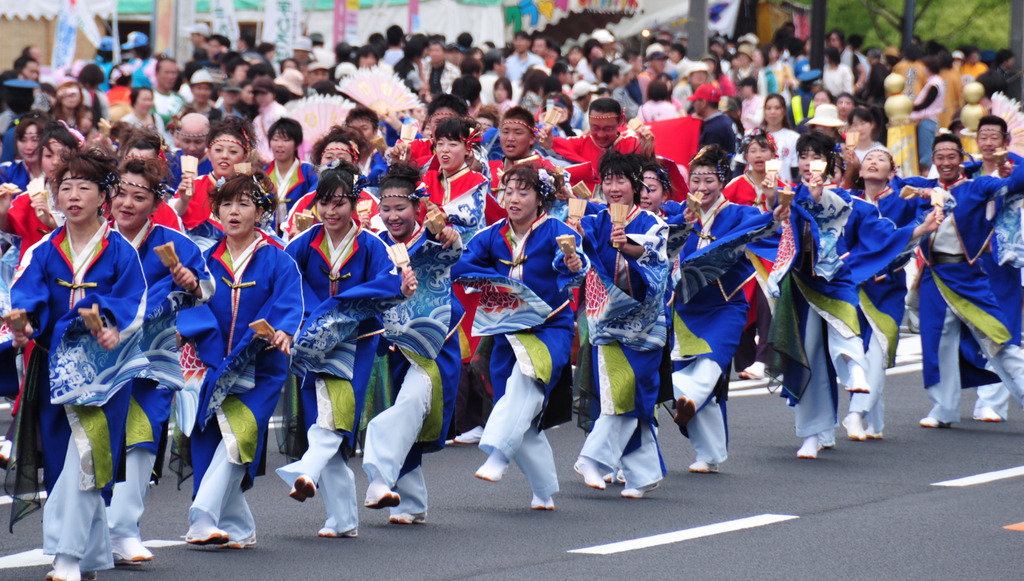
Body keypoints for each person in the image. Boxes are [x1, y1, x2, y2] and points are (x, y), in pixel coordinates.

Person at [7, 148, 147, 581]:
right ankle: (96, 556)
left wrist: (112, 328)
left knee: (88, 457)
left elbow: (134, 302)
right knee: (62, 459)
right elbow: (25, 294)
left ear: (103, 195)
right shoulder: (44, 249)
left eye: (83, 186)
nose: (71, 195)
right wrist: (24, 325)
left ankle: (66, 557)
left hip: (105, 372)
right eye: (64, 186)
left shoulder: (121, 250)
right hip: (53, 369)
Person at [767, 132, 940, 458]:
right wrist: (775, 215)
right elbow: (772, 233)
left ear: (830, 164)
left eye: (816, 157)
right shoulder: (788, 198)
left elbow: (882, 235)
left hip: (839, 283)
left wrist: (920, 229)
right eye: (803, 156)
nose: (808, 162)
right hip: (803, 288)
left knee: (846, 332)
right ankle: (814, 434)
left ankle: (855, 378)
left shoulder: (851, 202)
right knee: (811, 358)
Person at [276, 162, 412, 539]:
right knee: (321, 412)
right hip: (313, 341)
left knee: (338, 410)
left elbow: (387, 284)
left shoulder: (372, 244)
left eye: (340, 203)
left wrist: (398, 288)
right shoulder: (302, 243)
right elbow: (288, 283)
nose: (331, 211)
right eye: (324, 203)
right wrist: (317, 317)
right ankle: (342, 518)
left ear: (354, 204)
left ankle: (306, 469)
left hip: (357, 342)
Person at [453, 164, 588, 509]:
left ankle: (497, 454)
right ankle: (544, 490)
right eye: (508, 191)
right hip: (507, 333)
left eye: (523, 192)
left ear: (540, 198)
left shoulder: (556, 228)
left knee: (525, 384)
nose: (513, 199)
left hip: (549, 327)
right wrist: (500, 280)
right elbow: (461, 266)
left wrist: (572, 263)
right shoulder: (492, 233)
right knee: (519, 414)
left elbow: (572, 260)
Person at [179, 171, 302, 548]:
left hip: (259, 367)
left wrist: (282, 329)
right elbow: (190, 305)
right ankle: (241, 527)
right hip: (211, 366)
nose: (233, 212)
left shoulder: (278, 260)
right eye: (226, 204)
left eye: (244, 204)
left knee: (239, 438)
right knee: (210, 440)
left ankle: (201, 517)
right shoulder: (204, 259)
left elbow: (289, 302)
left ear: (261, 211)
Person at [105, 156, 214, 564]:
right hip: (99, 358)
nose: (127, 203)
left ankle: (124, 529)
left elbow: (208, 289)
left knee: (141, 438)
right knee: (93, 441)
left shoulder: (174, 242)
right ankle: (87, 528)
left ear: (156, 203)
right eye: (121, 193)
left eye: (139, 196)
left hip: (152, 357)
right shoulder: (93, 238)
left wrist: (192, 282)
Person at [668, 145, 787, 473]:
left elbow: (765, 225)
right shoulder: (679, 211)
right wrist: (681, 224)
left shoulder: (736, 213)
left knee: (709, 368)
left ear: (722, 181)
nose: (702, 187)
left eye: (709, 180)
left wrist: (776, 210)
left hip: (726, 305)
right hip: (687, 308)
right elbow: (659, 245)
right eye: (696, 180)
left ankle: (668, 392)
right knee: (690, 387)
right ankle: (710, 453)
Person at [895, 134, 1024, 428]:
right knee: (937, 343)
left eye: (951, 156)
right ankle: (944, 408)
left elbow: (1017, 183)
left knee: (998, 337)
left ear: (962, 159)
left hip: (968, 277)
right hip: (933, 277)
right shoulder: (924, 188)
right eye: (939, 157)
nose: (945, 163)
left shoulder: (976, 187)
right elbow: (892, 186)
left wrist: (1010, 165)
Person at [362, 162, 463, 524]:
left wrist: (450, 236)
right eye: (385, 209)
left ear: (418, 208)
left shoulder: (435, 237)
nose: (392, 216)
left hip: (432, 345)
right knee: (405, 414)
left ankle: (378, 476)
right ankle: (411, 501)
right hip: (389, 346)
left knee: (407, 408)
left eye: (400, 208)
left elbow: (453, 250)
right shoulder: (373, 244)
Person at [572, 151, 669, 499]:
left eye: (621, 180)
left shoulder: (652, 222)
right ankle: (641, 473)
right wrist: (570, 253)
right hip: (606, 320)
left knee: (632, 391)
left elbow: (657, 262)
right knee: (622, 393)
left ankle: (594, 458)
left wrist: (626, 246)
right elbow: (579, 265)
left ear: (635, 184)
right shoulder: (594, 219)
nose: (614, 188)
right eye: (608, 180)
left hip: (644, 327)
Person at [174, 117, 257, 250]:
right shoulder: (194, 185)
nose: (224, 156)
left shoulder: (254, 189)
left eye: (233, 152)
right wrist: (184, 201)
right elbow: (170, 218)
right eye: (218, 150)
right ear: (210, 154)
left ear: (244, 156)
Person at [537, 97, 654, 191]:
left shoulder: (633, 144)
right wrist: (547, 143)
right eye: (595, 128)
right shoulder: (580, 143)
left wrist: (646, 153)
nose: (601, 134)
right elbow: (555, 145)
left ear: (620, 121)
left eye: (608, 128)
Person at [264, 117, 318, 228]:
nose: (279, 145)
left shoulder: (309, 171)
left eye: (286, 140)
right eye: (275, 139)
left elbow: (315, 196)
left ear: (297, 144)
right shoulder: (263, 172)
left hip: (299, 230)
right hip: (270, 233)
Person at [0, 113, 46, 191]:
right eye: (23, 140)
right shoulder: (6, 172)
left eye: (35, 139)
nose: (29, 147)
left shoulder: (58, 172)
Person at [761, 94, 799, 183]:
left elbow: (796, 172)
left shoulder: (794, 138)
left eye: (777, 108)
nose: (772, 112)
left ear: (784, 111)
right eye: (768, 108)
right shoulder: (753, 135)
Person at [690, 84, 736, 153]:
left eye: (695, 101)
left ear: (703, 103)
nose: (693, 104)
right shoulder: (725, 119)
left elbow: (708, 160)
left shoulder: (714, 128)